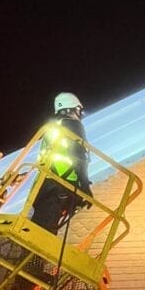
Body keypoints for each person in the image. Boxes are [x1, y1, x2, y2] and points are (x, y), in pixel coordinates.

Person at [30, 92, 93, 233]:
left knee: (38, 226)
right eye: (78, 109)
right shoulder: (73, 125)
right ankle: (36, 255)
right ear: (72, 109)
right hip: (61, 184)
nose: (80, 113)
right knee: (46, 232)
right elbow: (78, 155)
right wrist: (85, 186)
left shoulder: (53, 127)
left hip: (45, 182)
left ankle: (28, 254)